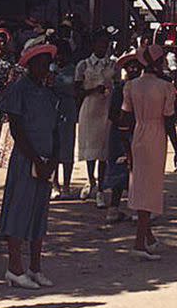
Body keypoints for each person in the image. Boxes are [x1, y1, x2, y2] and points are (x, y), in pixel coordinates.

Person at [0, 44, 61, 289]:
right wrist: (34, 158)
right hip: (26, 159)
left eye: (47, 63)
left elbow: (55, 128)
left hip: (45, 159)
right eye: (40, 62)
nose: (45, 67)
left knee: (39, 214)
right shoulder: (19, 90)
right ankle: (14, 267)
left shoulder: (47, 92)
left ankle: (36, 267)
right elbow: (17, 128)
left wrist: (53, 159)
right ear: (30, 64)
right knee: (19, 212)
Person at [119, 44, 177, 261]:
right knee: (150, 187)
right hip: (156, 135)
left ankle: (148, 236)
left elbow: (123, 120)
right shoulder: (166, 87)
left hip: (139, 133)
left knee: (139, 183)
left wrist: (127, 148)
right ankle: (139, 242)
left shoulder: (131, 86)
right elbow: (169, 120)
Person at [76, 30, 117, 206]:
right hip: (89, 109)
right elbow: (77, 91)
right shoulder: (84, 66)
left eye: (105, 43)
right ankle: (90, 180)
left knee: (103, 150)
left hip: (105, 109)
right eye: (100, 43)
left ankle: (101, 187)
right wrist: (93, 90)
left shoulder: (113, 65)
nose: (103, 46)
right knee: (90, 149)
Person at [103, 51, 141, 224]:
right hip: (120, 135)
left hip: (137, 132)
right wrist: (124, 125)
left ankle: (134, 208)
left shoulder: (142, 88)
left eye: (136, 66)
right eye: (130, 66)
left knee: (136, 171)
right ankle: (114, 208)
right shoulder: (120, 89)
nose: (133, 69)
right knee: (120, 170)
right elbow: (112, 113)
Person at [50, 40, 78, 199]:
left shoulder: (73, 70)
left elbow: (74, 89)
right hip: (52, 110)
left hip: (68, 110)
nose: (60, 57)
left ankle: (66, 184)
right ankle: (55, 185)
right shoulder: (50, 69)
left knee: (67, 148)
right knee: (53, 148)